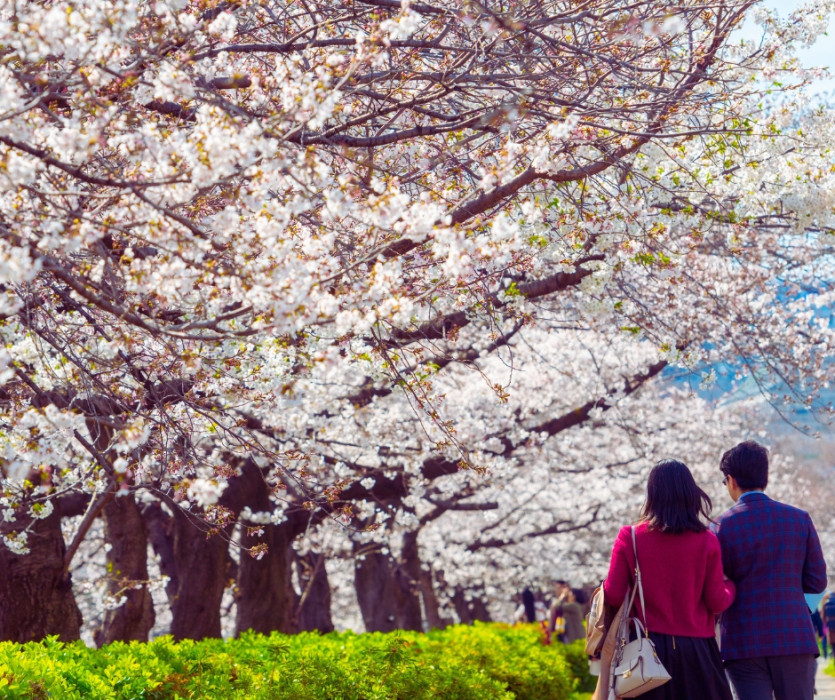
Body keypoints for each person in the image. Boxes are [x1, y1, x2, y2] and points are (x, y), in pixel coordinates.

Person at [599, 459, 735, 700]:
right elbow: (716, 602)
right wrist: (731, 587)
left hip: (646, 654)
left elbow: (613, 594)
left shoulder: (630, 537)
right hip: (698, 652)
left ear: (652, 494)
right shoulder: (706, 540)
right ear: (690, 493)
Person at [713, 440, 827, 700]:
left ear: (731, 480)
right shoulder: (799, 519)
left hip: (743, 641)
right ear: (765, 476)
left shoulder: (720, 526)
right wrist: (793, 606)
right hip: (794, 637)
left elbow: (715, 587)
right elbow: (817, 581)